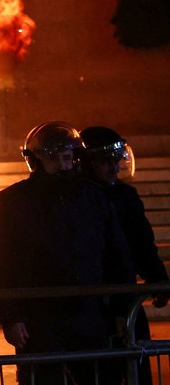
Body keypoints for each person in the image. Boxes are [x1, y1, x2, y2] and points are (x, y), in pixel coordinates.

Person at [0, 121, 134, 385]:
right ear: (35, 161)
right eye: (53, 158)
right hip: (38, 321)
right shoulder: (14, 201)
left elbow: (118, 257)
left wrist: (121, 311)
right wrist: (10, 318)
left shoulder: (94, 198)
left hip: (90, 317)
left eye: (67, 157)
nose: (62, 165)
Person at [81, 126, 169, 385]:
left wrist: (157, 278)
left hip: (125, 294)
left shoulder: (124, 195)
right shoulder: (75, 200)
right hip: (88, 302)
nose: (115, 168)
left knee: (136, 365)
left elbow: (142, 242)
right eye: (106, 162)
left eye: (117, 160)